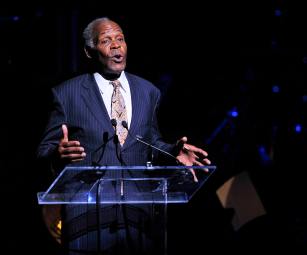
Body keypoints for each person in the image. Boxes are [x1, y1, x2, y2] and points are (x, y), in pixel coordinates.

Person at [37, 17, 211, 254]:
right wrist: (58, 155)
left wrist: (172, 152)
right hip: (87, 222)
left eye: (120, 39)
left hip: (139, 220)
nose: (116, 46)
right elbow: (44, 152)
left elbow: (149, 142)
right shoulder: (67, 94)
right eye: (106, 40)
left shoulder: (148, 92)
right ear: (89, 52)